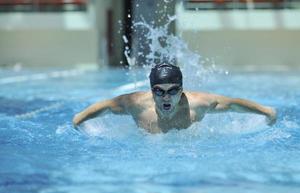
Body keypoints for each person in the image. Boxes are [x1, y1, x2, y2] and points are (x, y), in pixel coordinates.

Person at [73, 63, 276, 133]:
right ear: (152, 91)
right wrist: (80, 118)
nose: (166, 97)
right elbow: (107, 106)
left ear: (181, 90)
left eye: (173, 90)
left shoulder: (198, 104)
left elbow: (232, 104)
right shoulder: (136, 104)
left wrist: (266, 111)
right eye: (159, 91)